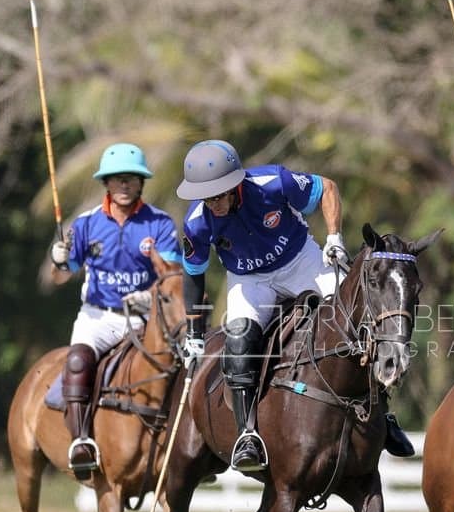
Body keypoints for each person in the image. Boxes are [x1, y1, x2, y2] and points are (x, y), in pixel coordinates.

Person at [173, 139, 414, 472]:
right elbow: (193, 273)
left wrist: (333, 238)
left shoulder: (273, 183)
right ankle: (247, 435)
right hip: (249, 279)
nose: (212, 203)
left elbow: (327, 189)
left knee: (357, 321)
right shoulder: (198, 221)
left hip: (301, 262)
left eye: (217, 195)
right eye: (205, 196)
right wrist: (195, 332)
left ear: (234, 185)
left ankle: (383, 414)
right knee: (240, 341)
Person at [48, 142, 182, 479]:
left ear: (141, 183)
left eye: (131, 179)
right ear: (106, 183)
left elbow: (172, 276)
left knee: (185, 364)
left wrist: (147, 296)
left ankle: (190, 446)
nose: (124, 185)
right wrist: (59, 260)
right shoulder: (86, 224)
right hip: (100, 317)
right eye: (117, 179)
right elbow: (60, 277)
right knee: (78, 360)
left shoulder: (160, 224)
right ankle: (81, 442)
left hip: (145, 318)